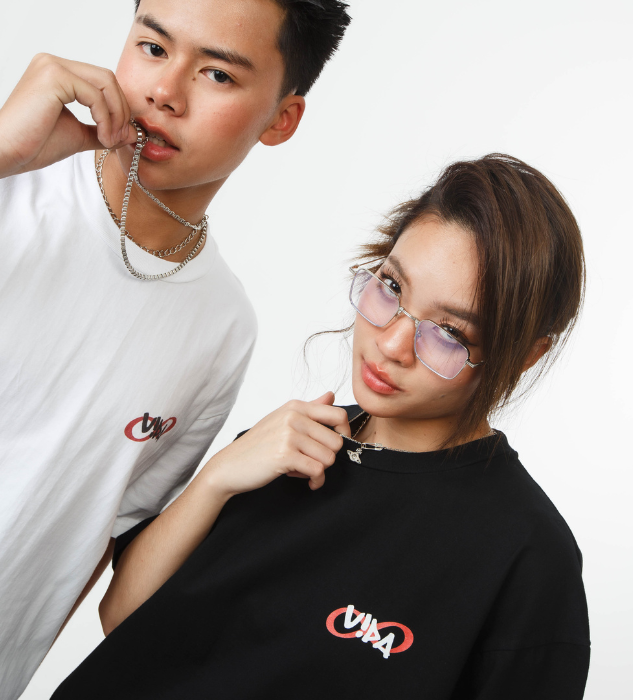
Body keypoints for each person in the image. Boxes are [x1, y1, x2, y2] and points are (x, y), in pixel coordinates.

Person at [52, 154, 590, 699]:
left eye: (449, 332)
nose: (392, 343)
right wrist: (217, 478)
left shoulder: (528, 556)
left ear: (525, 355)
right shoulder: (283, 445)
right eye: (391, 287)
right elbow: (121, 617)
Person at [0, 1, 351, 698]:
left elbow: (92, 547)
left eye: (217, 74)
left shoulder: (222, 330)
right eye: (153, 48)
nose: (164, 92)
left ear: (281, 119)